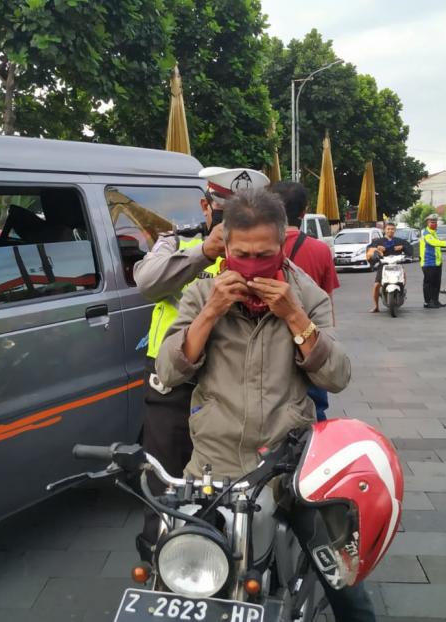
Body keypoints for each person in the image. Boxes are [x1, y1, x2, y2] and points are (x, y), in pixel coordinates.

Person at [156, 188, 375, 621]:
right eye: (242, 254)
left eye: (264, 254)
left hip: (289, 465)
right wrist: (211, 312)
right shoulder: (202, 293)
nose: (253, 265)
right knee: (176, 577)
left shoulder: (306, 294)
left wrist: (294, 315)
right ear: (225, 244)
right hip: (212, 465)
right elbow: (167, 372)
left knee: (346, 582)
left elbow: (338, 376)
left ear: (281, 243)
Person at [132, 166, 269, 558]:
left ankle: (240, 557)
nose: (233, 226)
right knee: (164, 479)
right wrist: (204, 251)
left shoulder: (262, 249)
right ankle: (158, 557)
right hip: (172, 385)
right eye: (225, 215)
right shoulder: (173, 242)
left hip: (234, 383)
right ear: (205, 207)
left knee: (240, 480)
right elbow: (147, 283)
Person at [271, 180, 340, 421]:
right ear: (304, 211)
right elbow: (327, 301)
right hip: (310, 343)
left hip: (270, 350)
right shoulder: (320, 250)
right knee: (315, 410)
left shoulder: (259, 246)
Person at [367, 222, 413, 312]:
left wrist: (403, 247)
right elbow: (369, 249)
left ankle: (402, 292)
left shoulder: (400, 241)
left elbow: (410, 249)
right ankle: (376, 306)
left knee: (403, 276)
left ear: (395, 230)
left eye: (392, 229)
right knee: (376, 285)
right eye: (388, 229)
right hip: (384, 265)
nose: (390, 231)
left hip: (397, 264)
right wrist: (377, 248)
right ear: (385, 230)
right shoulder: (378, 241)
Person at [419, 213, 446, 308]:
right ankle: (428, 302)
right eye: (432, 222)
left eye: (435, 222)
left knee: (436, 283)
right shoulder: (426, 233)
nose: (434, 224)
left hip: (436, 262)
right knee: (429, 283)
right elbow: (433, 242)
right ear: (427, 222)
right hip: (428, 262)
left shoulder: (434, 232)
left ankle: (435, 300)